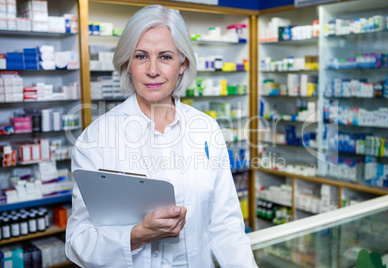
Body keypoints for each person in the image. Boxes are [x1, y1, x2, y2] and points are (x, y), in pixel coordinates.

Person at [65, 4, 258, 267]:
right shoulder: (96, 139)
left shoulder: (205, 129)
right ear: (127, 64)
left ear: (182, 64)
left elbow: (226, 226)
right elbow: (79, 240)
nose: (153, 70)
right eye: (141, 56)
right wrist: (136, 235)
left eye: (165, 56)